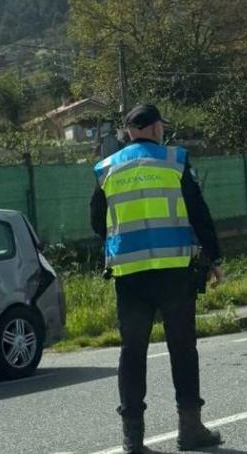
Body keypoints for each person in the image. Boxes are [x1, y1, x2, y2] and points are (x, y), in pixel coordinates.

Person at [89, 104, 224, 453]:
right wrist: (213, 257)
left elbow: (96, 220)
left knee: (132, 353)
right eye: (162, 126)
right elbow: (199, 211)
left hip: (130, 273)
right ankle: (190, 430)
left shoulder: (107, 168)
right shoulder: (173, 160)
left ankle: (133, 439)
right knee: (183, 349)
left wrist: (117, 245)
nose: (163, 131)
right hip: (173, 271)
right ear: (152, 128)